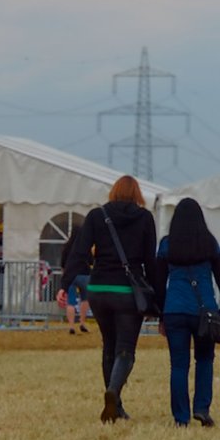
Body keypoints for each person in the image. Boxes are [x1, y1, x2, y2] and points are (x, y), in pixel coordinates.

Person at [57, 175, 158, 423]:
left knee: (108, 345)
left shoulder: (97, 215)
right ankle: (113, 391)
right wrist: (157, 296)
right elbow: (150, 261)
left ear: (113, 191)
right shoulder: (145, 218)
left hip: (99, 288)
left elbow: (78, 251)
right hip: (127, 291)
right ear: (137, 194)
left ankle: (116, 406)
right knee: (126, 349)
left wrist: (65, 284)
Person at [155, 198, 220, 427]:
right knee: (205, 359)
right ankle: (202, 408)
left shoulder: (167, 244)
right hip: (204, 311)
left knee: (178, 365)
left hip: (175, 309)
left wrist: (160, 315)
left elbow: (159, 282)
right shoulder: (209, 243)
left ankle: (181, 417)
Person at [60, 225, 91, 335]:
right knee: (85, 299)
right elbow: (91, 261)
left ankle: (71, 326)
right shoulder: (86, 247)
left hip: (71, 276)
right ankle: (82, 322)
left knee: (71, 301)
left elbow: (63, 263)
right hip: (85, 275)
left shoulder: (67, 247)